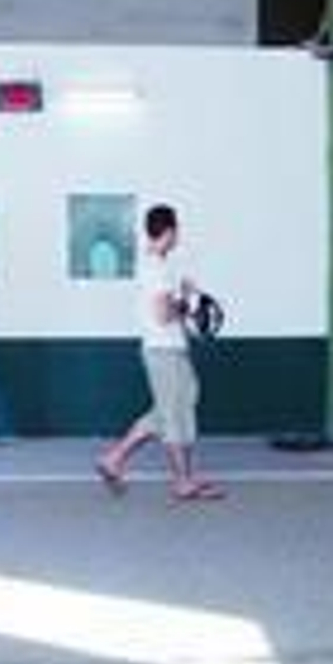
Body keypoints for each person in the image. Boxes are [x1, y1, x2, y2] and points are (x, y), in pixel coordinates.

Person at [96, 204, 223, 502]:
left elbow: (167, 308)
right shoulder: (155, 268)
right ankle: (182, 482)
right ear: (169, 231)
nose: (178, 236)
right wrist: (188, 302)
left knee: (181, 404)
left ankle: (114, 459)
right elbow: (163, 314)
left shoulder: (159, 266)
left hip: (171, 347)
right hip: (162, 349)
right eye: (176, 231)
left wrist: (184, 295)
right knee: (172, 414)